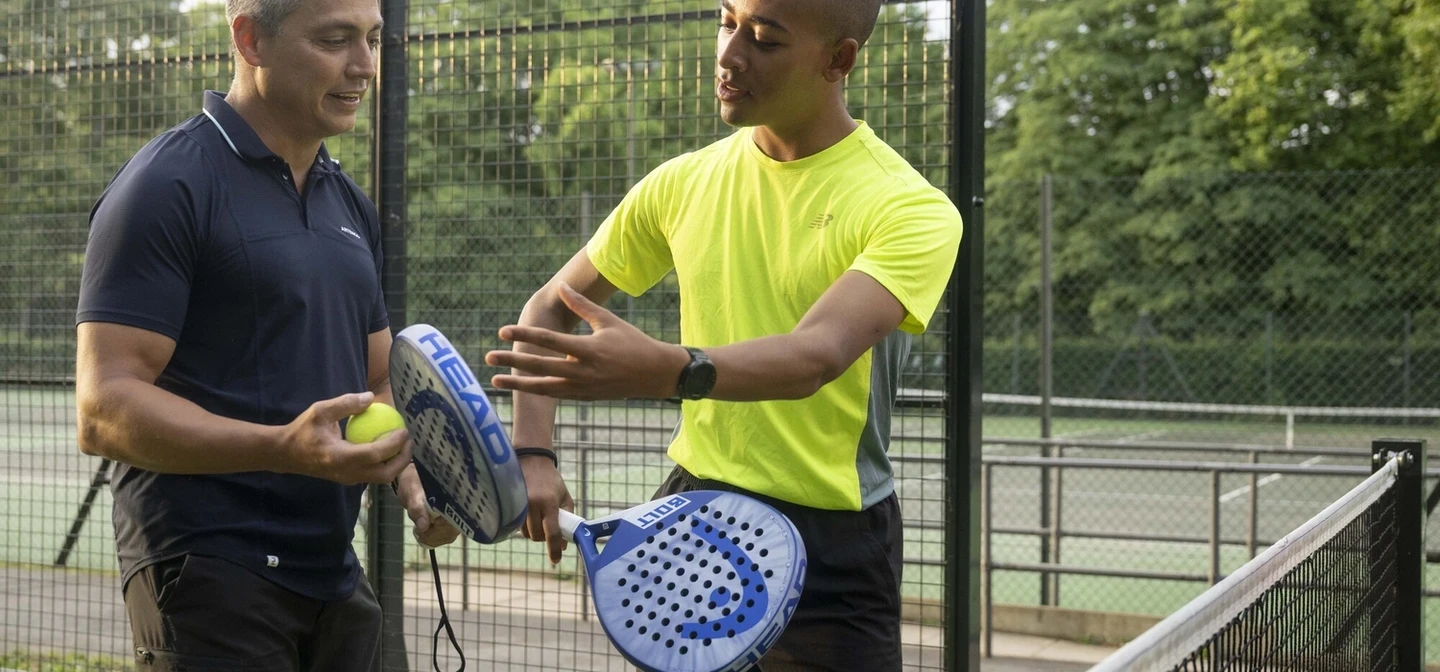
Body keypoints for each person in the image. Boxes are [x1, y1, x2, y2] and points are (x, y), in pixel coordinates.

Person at [483, 0, 963, 669]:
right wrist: (533, 451)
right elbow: (549, 310)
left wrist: (668, 370)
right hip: (690, 518)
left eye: (764, 39)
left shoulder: (910, 209)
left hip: (832, 548)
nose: (730, 54)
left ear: (839, 60)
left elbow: (816, 356)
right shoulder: (684, 182)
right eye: (726, 21)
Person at [74, 0, 458, 668]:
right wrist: (281, 449)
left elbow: (375, 382)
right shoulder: (166, 184)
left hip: (331, 571)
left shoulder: (350, 206)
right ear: (250, 40)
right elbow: (104, 410)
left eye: (371, 39)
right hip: (207, 567)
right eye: (335, 40)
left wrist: (414, 482)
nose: (364, 65)